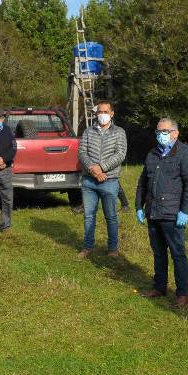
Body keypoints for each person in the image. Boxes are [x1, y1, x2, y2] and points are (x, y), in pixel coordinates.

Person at [135, 118, 188, 308]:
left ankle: (182, 294)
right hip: (153, 211)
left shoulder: (185, 154)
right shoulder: (152, 154)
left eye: (164, 131)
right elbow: (143, 182)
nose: (160, 135)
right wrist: (139, 206)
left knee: (177, 253)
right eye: (158, 131)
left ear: (175, 133)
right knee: (158, 252)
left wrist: (185, 210)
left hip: (172, 214)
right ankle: (159, 286)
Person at [77, 101, 127, 258]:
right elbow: (82, 153)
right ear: (96, 114)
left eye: (105, 111)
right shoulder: (88, 132)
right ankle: (88, 247)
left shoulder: (119, 132)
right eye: (100, 112)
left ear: (112, 113)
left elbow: (120, 154)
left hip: (110, 180)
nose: (102, 114)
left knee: (111, 216)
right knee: (89, 215)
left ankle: (112, 249)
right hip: (89, 181)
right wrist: (93, 168)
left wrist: (102, 167)